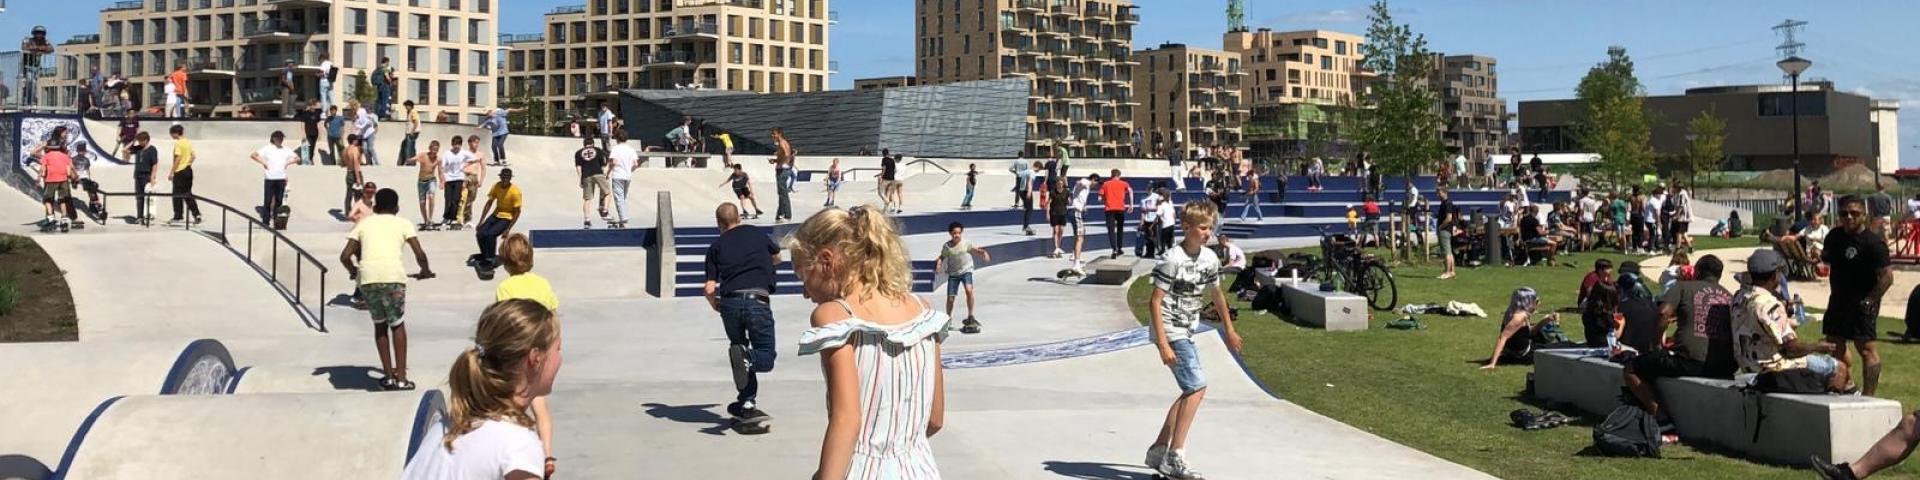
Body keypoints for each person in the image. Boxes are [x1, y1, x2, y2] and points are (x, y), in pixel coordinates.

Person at [791, 206, 948, 479]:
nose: (805, 292)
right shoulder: (923, 311)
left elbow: (847, 421)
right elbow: (934, 419)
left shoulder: (835, 316)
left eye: (804, 277)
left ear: (827, 262)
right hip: (919, 468)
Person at [399, 299, 559, 480]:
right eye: (557, 349)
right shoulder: (517, 446)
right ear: (535, 358)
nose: (560, 359)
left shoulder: (449, 425)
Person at [1144, 201, 1243, 479]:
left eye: (1210, 228)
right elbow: (1155, 302)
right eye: (1202, 228)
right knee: (1198, 387)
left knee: (1191, 390)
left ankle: (1159, 449)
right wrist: (1163, 343)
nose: (1207, 233)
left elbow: (1217, 295)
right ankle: (1175, 455)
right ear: (1185, 228)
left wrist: (1229, 329)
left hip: (1188, 328)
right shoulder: (1171, 258)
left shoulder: (1210, 259)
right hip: (1171, 330)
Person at [340, 188, 434, 392]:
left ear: (374, 206)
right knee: (397, 325)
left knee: (380, 325)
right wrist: (425, 270)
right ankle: (402, 378)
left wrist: (353, 271)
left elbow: (345, 255)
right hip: (393, 278)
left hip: (368, 279)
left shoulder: (363, 224)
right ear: (397, 207)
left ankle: (389, 378)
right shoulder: (403, 223)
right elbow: (419, 253)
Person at [1624, 255, 1737, 421]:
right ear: (1719, 276)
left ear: (1696, 271)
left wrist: (1656, 345)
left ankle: (1660, 416)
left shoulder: (1683, 287)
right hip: (1725, 366)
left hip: (1690, 362)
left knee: (1631, 368)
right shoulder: (1730, 297)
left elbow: (1663, 313)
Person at [701, 202, 781, 429]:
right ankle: (748, 364)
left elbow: (708, 288)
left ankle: (747, 402)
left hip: (730, 303)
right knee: (764, 356)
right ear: (739, 217)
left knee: (739, 349)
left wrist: (713, 302)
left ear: (719, 223)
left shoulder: (716, 246)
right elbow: (778, 258)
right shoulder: (757, 234)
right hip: (757, 300)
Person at [1734, 249, 1848, 388]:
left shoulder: (1739, 297)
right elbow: (1791, 349)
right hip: (1773, 369)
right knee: (1839, 368)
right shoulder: (1770, 304)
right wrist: (1817, 347)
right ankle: (1832, 402)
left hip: (1748, 364)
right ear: (1774, 276)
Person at [1824, 195, 1894, 396]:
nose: (1849, 217)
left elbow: (1887, 277)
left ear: (1864, 215)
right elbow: (1827, 260)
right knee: (1834, 344)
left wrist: (1870, 300)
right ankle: (1845, 385)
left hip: (1863, 303)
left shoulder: (1873, 243)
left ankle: (1869, 396)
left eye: (1854, 213)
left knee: (1866, 349)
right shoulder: (1834, 236)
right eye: (1844, 213)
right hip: (1838, 300)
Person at [1482, 287, 1562, 368]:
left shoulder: (1514, 312)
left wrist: (1545, 320)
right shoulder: (1519, 317)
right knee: (1565, 347)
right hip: (1524, 355)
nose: (1538, 303)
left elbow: (1529, 332)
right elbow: (1502, 338)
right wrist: (1492, 363)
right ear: (1527, 301)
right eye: (1536, 301)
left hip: (1516, 352)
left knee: (1554, 342)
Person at [936, 221, 990, 333]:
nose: (957, 235)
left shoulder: (966, 243)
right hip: (953, 274)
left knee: (969, 290)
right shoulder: (947, 246)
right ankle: (948, 319)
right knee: (951, 298)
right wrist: (939, 264)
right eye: (954, 233)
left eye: (959, 233)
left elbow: (975, 250)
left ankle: (970, 315)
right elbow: (942, 256)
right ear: (950, 233)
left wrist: (983, 253)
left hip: (966, 270)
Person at [471, 169, 522, 269]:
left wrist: (508, 229)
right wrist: (481, 221)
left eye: (507, 177)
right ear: (500, 177)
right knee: (480, 233)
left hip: (507, 217)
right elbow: (489, 203)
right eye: (503, 177)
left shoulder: (515, 192)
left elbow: (517, 212)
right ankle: (485, 255)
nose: (505, 179)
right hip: (496, 214)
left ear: (510, 178)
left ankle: (491, 259)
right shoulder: (496, 186)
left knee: (490, 235)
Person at [250, 131, 298, 227]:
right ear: (274, 139)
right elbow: (253, 155)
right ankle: (265, 222)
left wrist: (287, 163)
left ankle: (277, 221)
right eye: (279, 139)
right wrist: (264, 163)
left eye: (282, 139)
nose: (280, 141)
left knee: (279, 200)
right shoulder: (268, 148)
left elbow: (297, 158)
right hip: (270, 178)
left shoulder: (286, 149)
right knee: (268, 200)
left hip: (281, 178)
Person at [165, 125, 203, 225]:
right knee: (187, 193)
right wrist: (188, 164)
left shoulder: (178, 143)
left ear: (176, 133)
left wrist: (172, 172)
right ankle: (196, 214)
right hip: (188, 170)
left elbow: (178, 158)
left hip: (180, 171)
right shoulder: (188, 142)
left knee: (176, 194)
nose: (171, 136)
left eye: (172, 134)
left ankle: (178, 215)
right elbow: (193, 156)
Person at [572, 137, 610, 229]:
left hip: (586, 175)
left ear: (584, 144)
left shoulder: (578, 153)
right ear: (593, 144)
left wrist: (580, 178)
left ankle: (587, 220)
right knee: (607, 193)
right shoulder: (598, 150)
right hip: (598, 173)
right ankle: (605, 211)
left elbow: (578, 167)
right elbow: (603, 164)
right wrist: (605, 174)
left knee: (587, 199)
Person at [439, 135, 473, 229]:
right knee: (448, 199)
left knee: (456, 199)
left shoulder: (464, 153)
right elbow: (442, 167)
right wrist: (442, 180)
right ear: (452, 144)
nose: (456, 146)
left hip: (459, 178)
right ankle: (446, 218)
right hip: (448, 178)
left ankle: (453, 218)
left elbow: (475, 159)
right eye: (455, 144)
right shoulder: (447, 154)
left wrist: (464, 166)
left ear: (461, 145)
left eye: (458, 144)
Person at [606, 131, 639, 228]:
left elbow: (614, 162)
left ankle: (624, 220)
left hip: (617, 175)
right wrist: (630, 170)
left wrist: (608, 173)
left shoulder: (616, 149)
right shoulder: (631, 149)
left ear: (617, 139)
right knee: (623, 198)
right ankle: (622, 219)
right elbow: (636, 164)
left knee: (619, 198)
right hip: (627, 176)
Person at [1102, 170, 1134, 259]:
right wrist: (1131, 204)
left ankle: (1114, 249)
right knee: (1120, 228)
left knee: (1111, 230)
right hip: (1120, 208)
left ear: (1111, 175)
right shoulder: (1124, 183)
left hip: (1109, 209)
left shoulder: (1105, 184)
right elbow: (1130, 191)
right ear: (1119, 175)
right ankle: (1120, 247)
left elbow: (1099, 198)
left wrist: (1106, 200)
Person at [412, 140, 442, 229]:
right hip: (421, 181)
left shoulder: (438, 159)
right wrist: (410, 159)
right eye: (433, 149)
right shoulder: (423, 155)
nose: (434, 151)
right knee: (422, 202)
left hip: (431, 180)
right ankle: (425, 220)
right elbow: (415, 158)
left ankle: (430, 218)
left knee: (431, 196)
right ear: (430, 148)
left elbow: (440, 171)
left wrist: (442, 181)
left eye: (436, 150)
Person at [771, 128, 796, 221]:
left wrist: (781, 163)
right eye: (772, 134)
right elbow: (788, 154)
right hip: (784, 169)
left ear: (780, 134)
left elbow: (786, 155)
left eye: (774, 134)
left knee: (783, 193)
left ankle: (787, 215)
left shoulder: (782, 143)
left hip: (782, 170)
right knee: (781, 193)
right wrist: (775, 160)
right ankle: (780, 214)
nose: (772, 136)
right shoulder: (784, 142)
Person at [340, 134, 364, 217]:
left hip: (348, 172)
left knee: (349, 194)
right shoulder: (354, 150)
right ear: (354, 141)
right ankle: (358, 212)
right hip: (355, 173)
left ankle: (348, 212)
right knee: (359, 194)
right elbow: (356, 163)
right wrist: (358, 178)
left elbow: (342, 164)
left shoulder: (345, 150)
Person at [1011, 158, 1035, 235]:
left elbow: (1010, 169)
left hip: (1020, 186)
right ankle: (1026, 226)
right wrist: (1029, 191)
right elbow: (1029, 181)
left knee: (1027, 208)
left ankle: (1026, 225)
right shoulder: (1030, 170)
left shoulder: (1016, 162)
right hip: (1026, 190)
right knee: (1030, 208)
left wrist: (1016, 172)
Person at [355, 101, 380, 166]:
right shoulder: (362, 114)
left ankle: (377, 162)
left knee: (370, 148)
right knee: (364, 149)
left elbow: (376, 125)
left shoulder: (374, 116)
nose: (368, 109)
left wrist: (375, 133)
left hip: (370, 133)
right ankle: (368, 162)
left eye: (369, 108)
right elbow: (357, 122)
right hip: (364, 134)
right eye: (366, 107)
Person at [398, 101, 421, 166]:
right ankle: (412, 162)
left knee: (408, 147)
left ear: (409, 106)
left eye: (406, 106)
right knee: (411, 147)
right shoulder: (410, 112)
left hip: (412, 132)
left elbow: (416, 122)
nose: (405, 108)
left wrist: (412, 132)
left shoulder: (413, 112)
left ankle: (408, 161)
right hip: (411, 132)